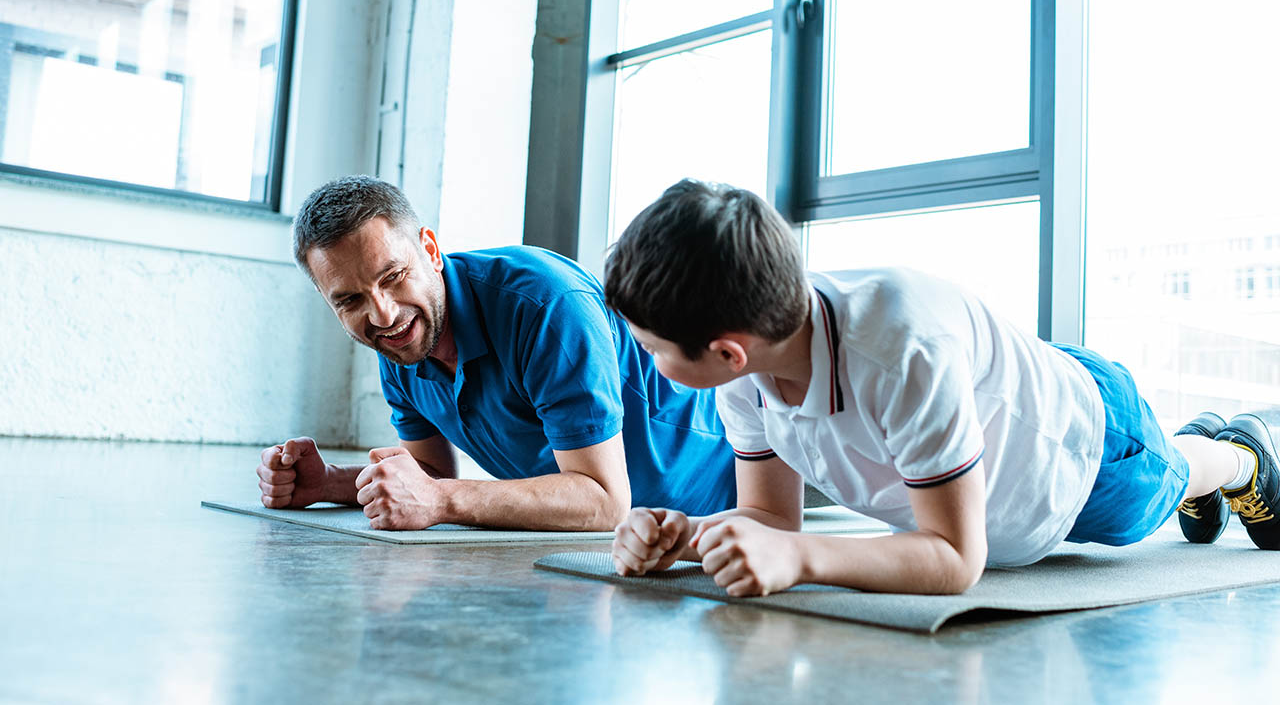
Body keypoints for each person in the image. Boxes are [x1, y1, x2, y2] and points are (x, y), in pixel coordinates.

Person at [603, 179, 1280, 597]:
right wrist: (688, 536)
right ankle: (1207, 461)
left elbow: (956, 557)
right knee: (1166, 482)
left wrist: (802, 558)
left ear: (725, 350)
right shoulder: (746, 377)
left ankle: (1241, 453)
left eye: (651, 349)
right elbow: (772, 522)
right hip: (1000, 402)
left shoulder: (901, 354)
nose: (649, 362)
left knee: (1167, 482)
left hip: (1093, 447)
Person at [256, 175, 736, 531]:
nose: (382, 314)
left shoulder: (547, 306)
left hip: (733, 488)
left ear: (430, 250)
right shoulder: (402, 340)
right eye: (350, 300)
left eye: (392, 277)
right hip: (632, 543)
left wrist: (442, 501)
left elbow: (604, 502)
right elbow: (432, 474)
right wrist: (331, 484)